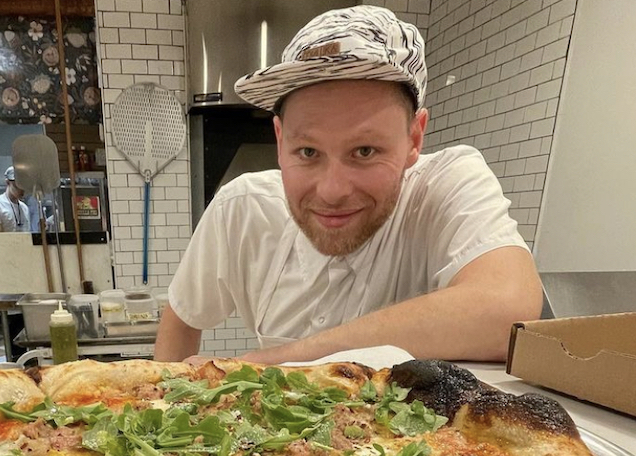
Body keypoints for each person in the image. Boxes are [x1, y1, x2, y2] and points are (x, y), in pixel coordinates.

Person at [154, 5, 543, 364]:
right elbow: (182, 318)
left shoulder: (445, 186)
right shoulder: (241, 209)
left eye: (365, 151)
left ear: (414, 139)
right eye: (307, 152)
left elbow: (509, 310)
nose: (332, 191)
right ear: (279, 138)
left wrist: (263, 364)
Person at [0, 166, 30, 233]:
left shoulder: (24, 208)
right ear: (8, 182)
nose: (21, 190)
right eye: (17, 186)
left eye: (24, 186)